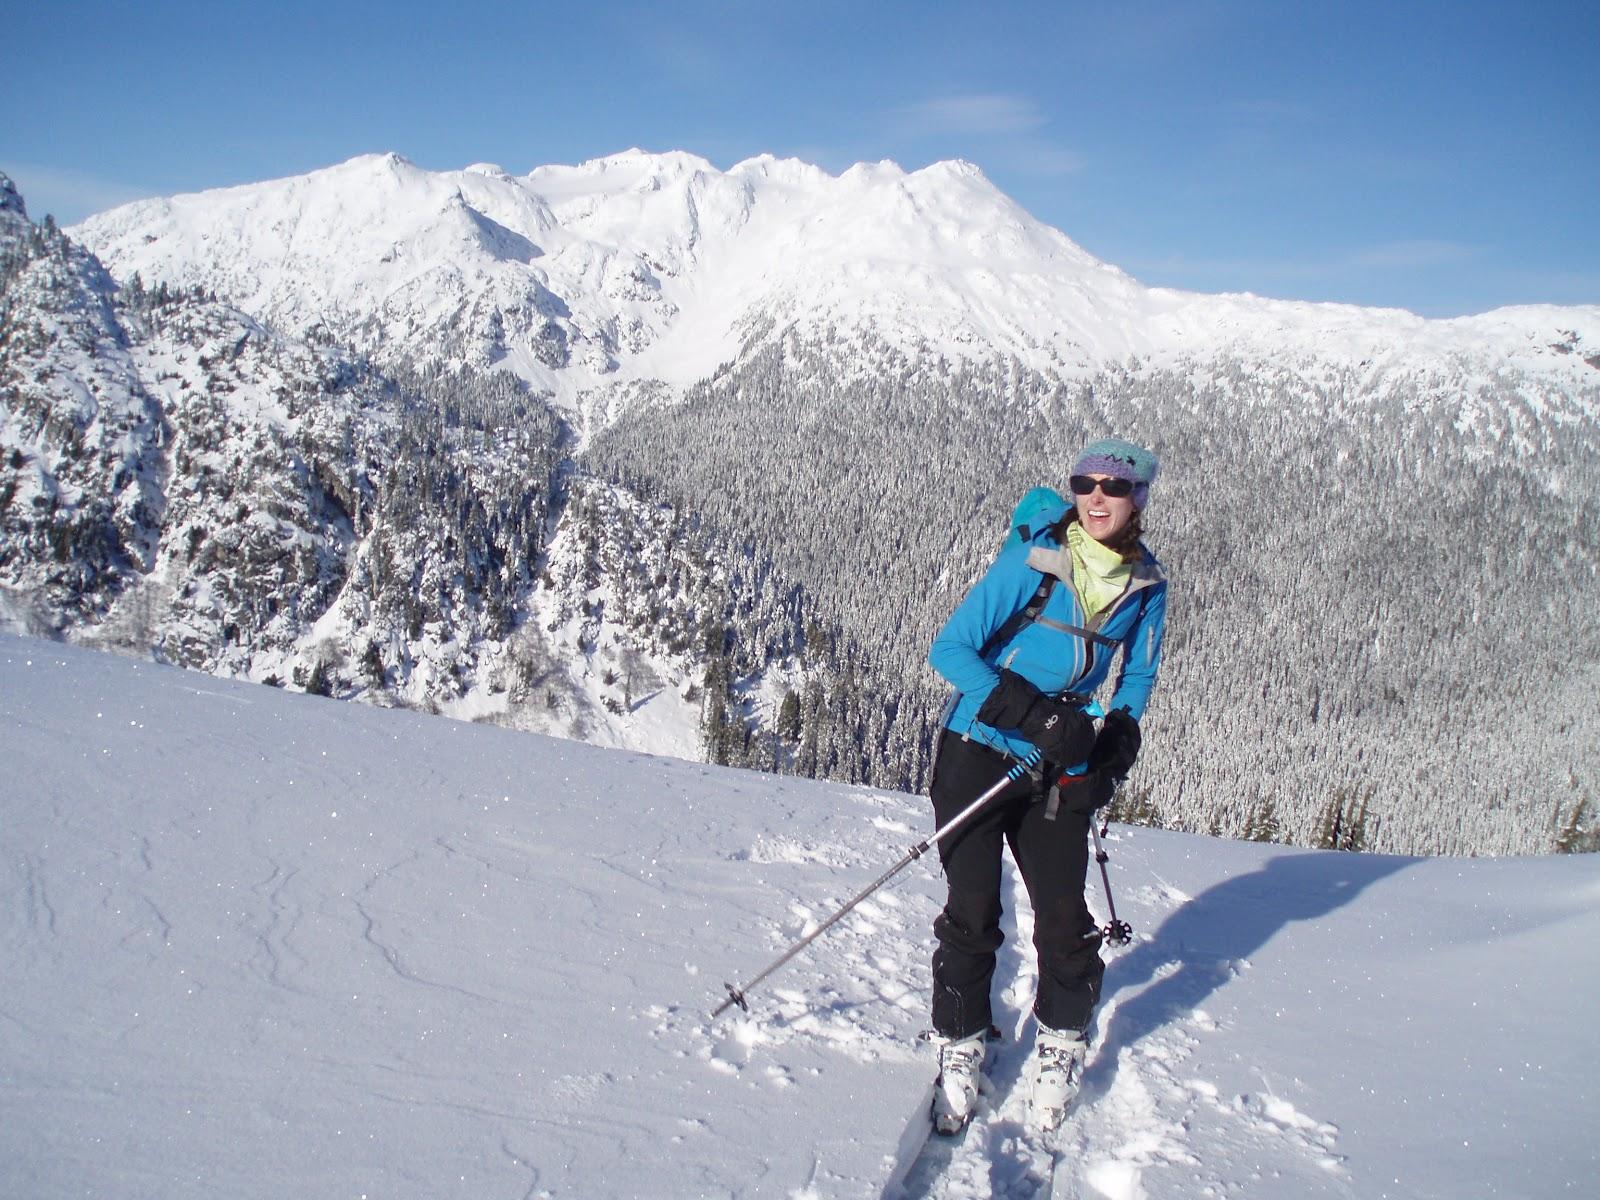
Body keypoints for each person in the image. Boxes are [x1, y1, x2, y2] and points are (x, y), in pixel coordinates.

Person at [923, 437, 1167, 1133]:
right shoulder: (1031, 563)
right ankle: (962, 1042)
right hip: (980, 748)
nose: (1096, 496)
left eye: (1114, 487)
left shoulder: (1148, 584)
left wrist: (1117, 737)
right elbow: (951, 649)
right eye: (1085, 482)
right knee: (972, 909)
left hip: (1056, 765)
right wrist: (1035, 716)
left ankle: (1061, 1041)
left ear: (1137, 498)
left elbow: (1138, 675)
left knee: (1064, 916)